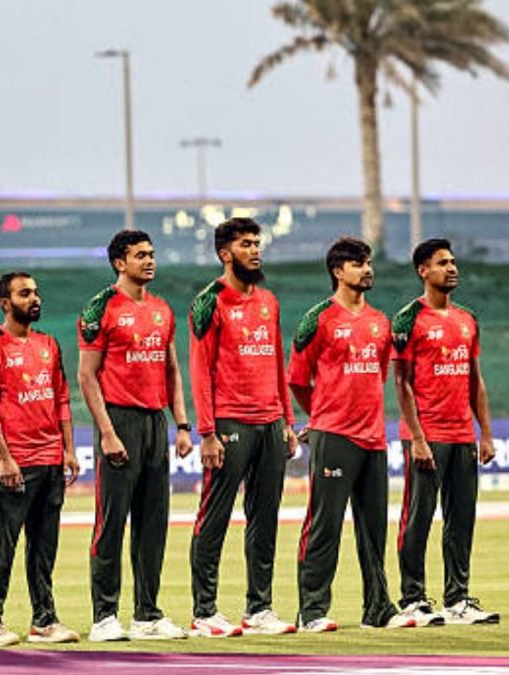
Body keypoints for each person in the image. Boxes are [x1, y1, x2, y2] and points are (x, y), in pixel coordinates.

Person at [290, 237, 416, 632]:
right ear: (337, 271)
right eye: (359, 263)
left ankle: (378, 608)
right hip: (334, 437)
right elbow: (296, 379)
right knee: (325, 525)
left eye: (369, 262)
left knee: (373, 528)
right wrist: (323, 415)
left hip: (374, 439)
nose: (367, 269)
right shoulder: (318, 319)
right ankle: (311, 610)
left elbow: (377, 375)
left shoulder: (381, 322)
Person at [77, 231, 193, 642]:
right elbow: (87, 376)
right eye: (139, 255)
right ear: (118, 263)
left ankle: (147, 615)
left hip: (154, 423)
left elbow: (172, 370)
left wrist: (180, 424)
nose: (149, 261)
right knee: (112, 522)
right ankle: (104, 617)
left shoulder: (162, 309)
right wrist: (107, 433)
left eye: (151, 253)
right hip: (119, 421)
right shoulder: (101, 308)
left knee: (152, 523)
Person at [187, 218, 298, 637]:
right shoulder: (209, 302)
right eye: (245, 244)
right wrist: (207, 431)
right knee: (213, 518)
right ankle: (204, 611)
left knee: (265, 518)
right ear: (224, 253)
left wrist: (288, 422)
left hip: (270, 423)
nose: (255, 250)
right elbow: (200, 369)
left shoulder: (269, 300)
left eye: (257, 243)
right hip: (230, 423)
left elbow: (276, 365)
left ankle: (260, 609)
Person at [394, 238, 500, 625]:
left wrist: (485, 433)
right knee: (418, 517)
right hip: (426, 436)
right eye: (442, 263)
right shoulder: (408, 319)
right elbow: (401, 383)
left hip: (462, 437)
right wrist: (418, 437)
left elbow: (475, 380)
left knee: (462, 519)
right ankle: (413, 599)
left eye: (454, 262)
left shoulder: (468, 319)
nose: (452, 268)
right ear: (424, 270)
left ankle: (457, 600)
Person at [0, 271, 81, 646]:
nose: (34, 299)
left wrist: (67, 450)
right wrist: (3, 458)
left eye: (36, 292)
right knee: (1, 543)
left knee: (43, 547)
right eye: (24, 294)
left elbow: (62, 399)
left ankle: (44, 621)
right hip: (13, 465)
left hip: (50, 460)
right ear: (6, 303)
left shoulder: (49, 344)